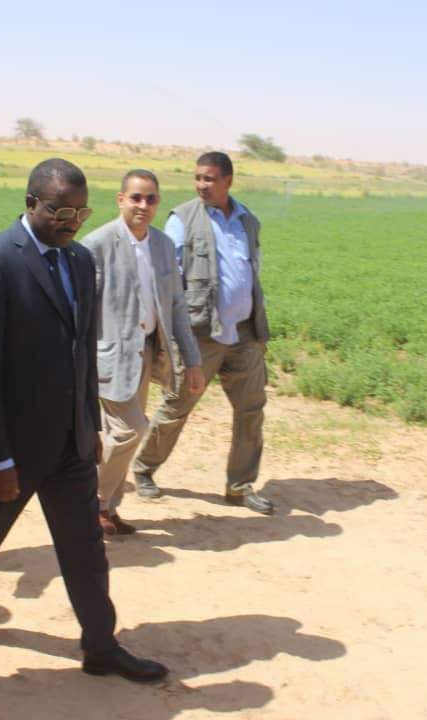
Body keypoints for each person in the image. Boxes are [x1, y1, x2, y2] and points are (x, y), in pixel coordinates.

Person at [0, 158, 168, 682]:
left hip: (70, 442)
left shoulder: (79, 261)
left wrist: (89, 424)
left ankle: (100, 646)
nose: (71, 222)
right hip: (11, 444)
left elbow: (81, 351)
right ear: (31, 204)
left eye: (79, 213)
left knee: (85, 549)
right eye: (60, 212)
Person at [132, 152, 274, 515]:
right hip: (200, 333)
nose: (201, 185)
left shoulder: (248, 221)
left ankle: (240, 486)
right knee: (177, 406)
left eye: (209, 178)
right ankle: (144, 468)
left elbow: (252, 271)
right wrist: (170, 337)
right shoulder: (182, 219)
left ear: (228, 181)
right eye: (198, 178)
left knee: (251, 410)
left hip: (243, 332)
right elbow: (168, 279)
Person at [82, 169, 204, 535]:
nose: (143, 205)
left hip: (147, 353)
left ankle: (107, 508)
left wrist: (193, 360)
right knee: (130, 430)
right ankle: (91, 502)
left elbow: (177, 305)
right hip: (109, 357)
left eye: (151, 198)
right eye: (135, 197)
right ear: (120, 199)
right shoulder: (96, 245)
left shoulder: (163, 245)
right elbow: (82, 310)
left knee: (119, 435)